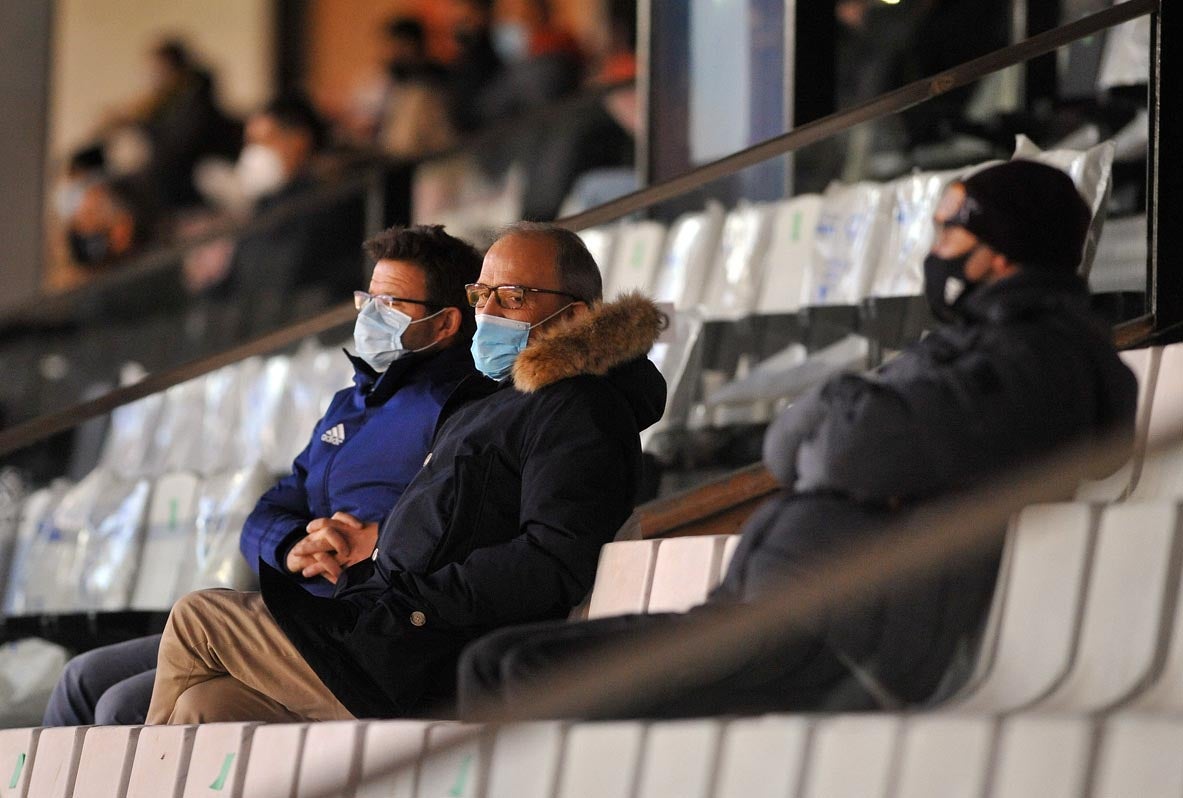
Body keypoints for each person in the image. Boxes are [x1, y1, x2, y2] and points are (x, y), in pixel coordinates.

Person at [456, 160, 1140, 719]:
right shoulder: (976, 349)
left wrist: (842, 403)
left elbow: (849, 448)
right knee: (499, 663)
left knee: (520, 672)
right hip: (773, 614)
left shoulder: (1042, 364)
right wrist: (844, 411)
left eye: (945, 234)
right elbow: (793, 443)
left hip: (842, 637)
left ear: (997, 249)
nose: (933, 254)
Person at [145, 222, 667, 724]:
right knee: (206, 707)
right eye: (480, 294)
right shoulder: (493, 402)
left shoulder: (580, 408)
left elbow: (554, 561)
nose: (487, 311)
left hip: (423, 656)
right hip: (381, 632)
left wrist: (419, 603)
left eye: (510, 297)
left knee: (198, 619)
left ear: (571, 317)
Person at [42, 224, 482, 727]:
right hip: (293, 606)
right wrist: (292, 544)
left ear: (445, 324)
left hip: (350, 624)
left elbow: (448, 518)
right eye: (368, 300)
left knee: (130, 701)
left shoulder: (457, 407)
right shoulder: (350, 403)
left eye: (391, 305)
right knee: (83, 676)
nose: (370, 317)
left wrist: (362, 541)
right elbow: (270, 508)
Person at [183, 95, 365, 339]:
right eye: (249, 143)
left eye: (263, 141)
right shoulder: (263, 209)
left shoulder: (335, 199)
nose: (252, 154)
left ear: (299, 140)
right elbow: (238, 281)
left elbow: (310, 279)